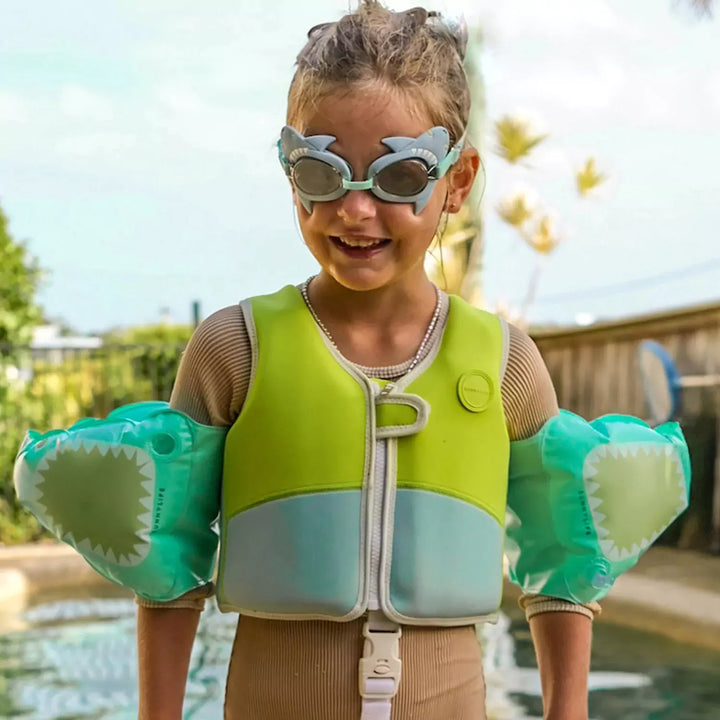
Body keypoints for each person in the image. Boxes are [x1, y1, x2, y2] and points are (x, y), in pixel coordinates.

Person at [135, 4, 597, 719]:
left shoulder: (506, 363)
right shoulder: (233, 349)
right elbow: (167, 566)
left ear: (459, 180)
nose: (354, 210)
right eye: (321, 174)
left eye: (399, 176)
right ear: (290, 170)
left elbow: (563, 560)